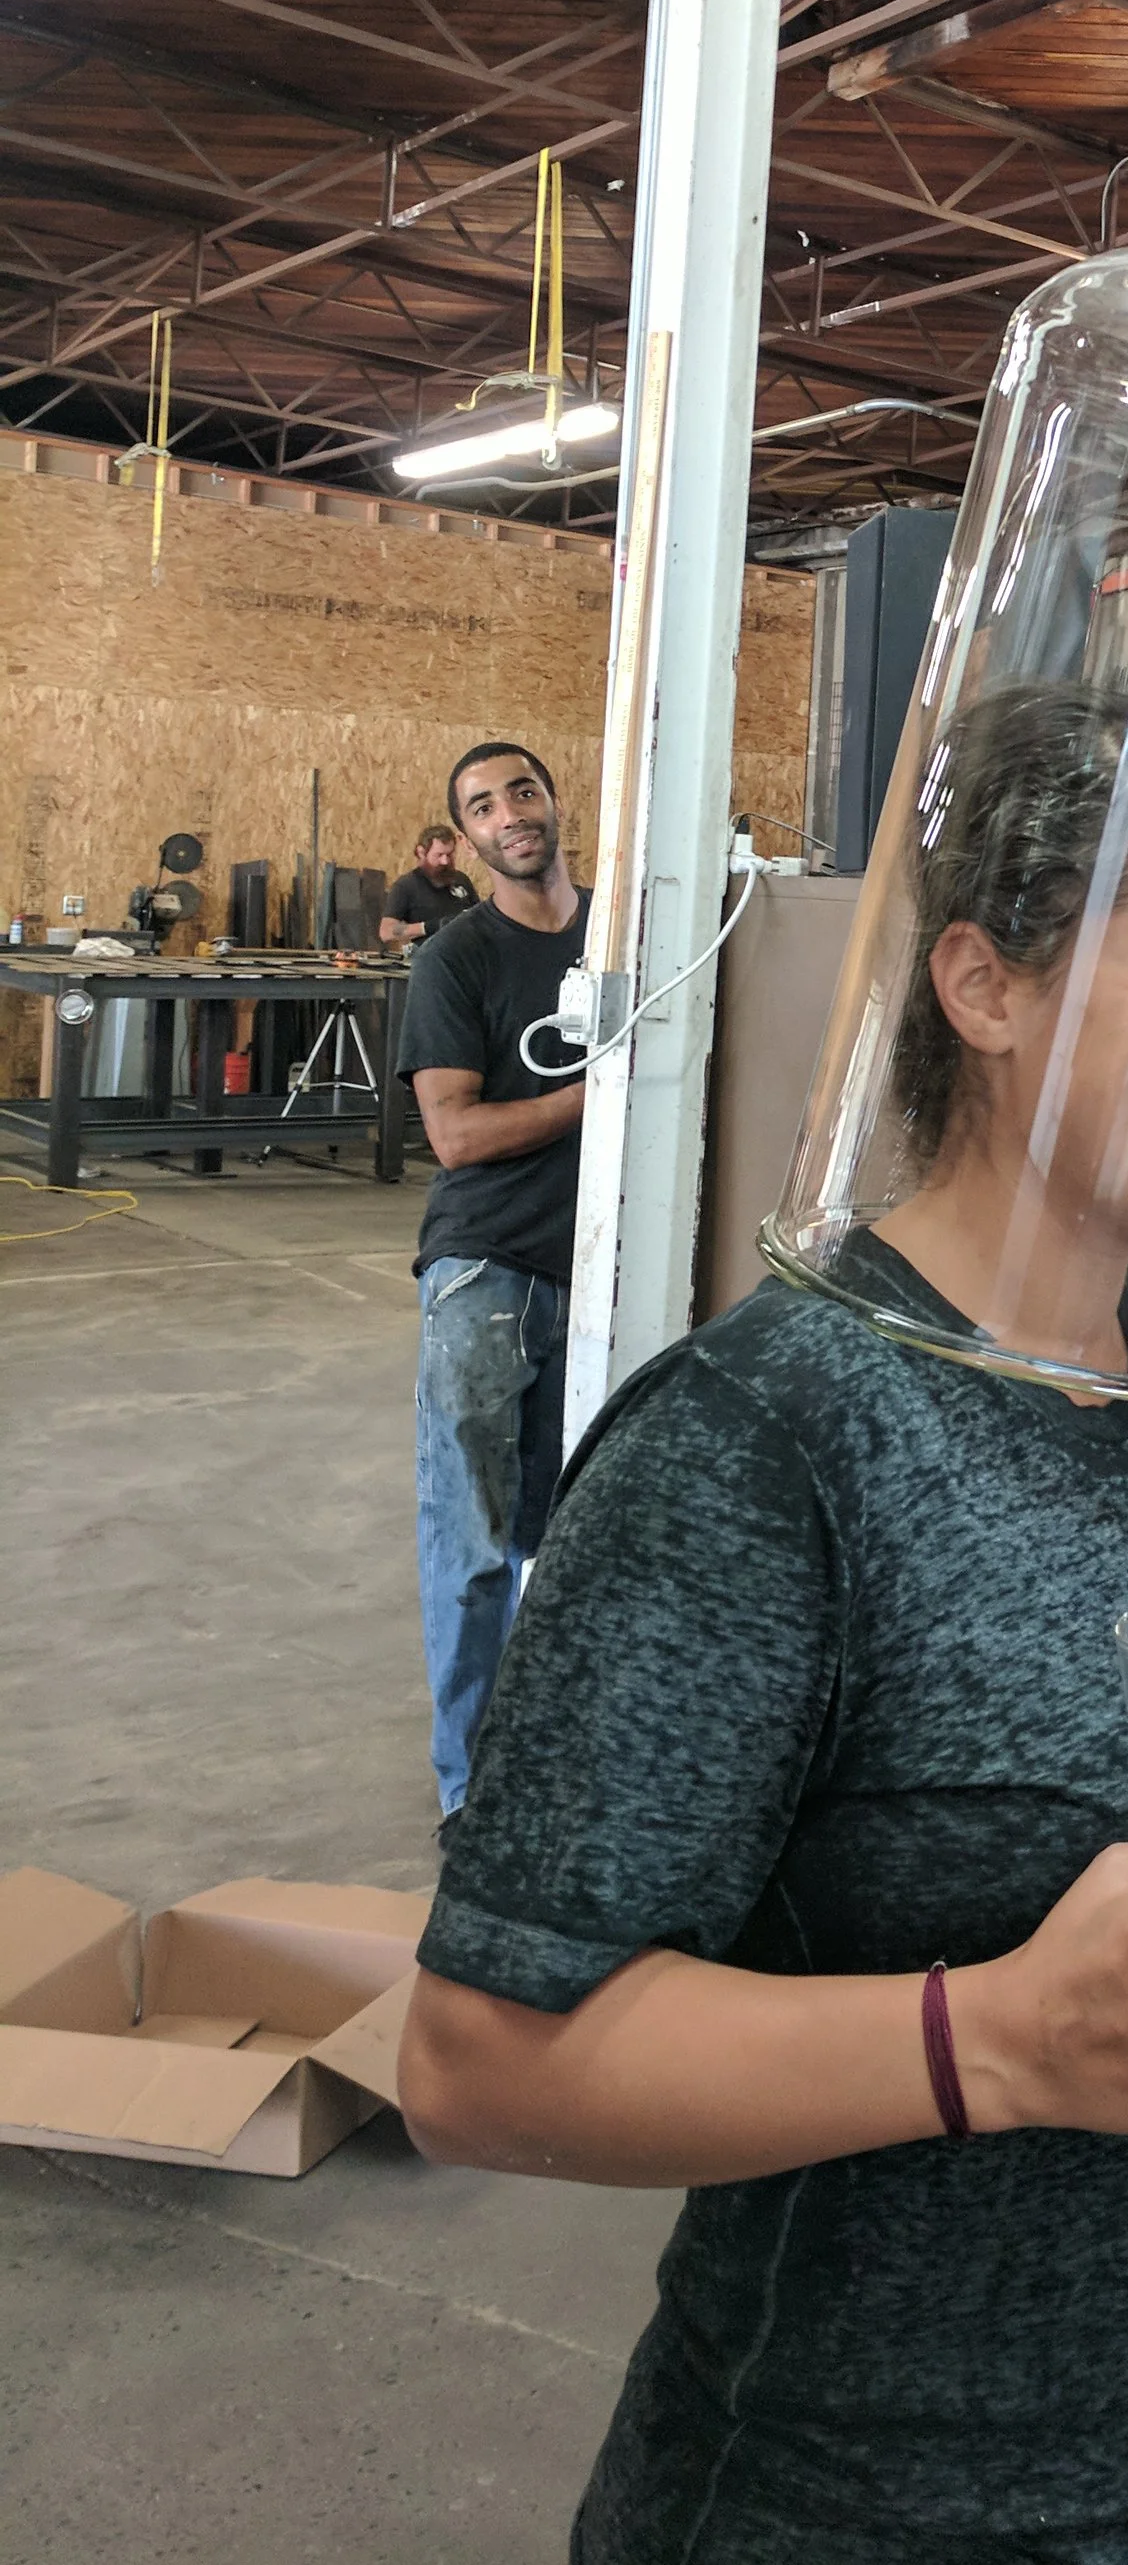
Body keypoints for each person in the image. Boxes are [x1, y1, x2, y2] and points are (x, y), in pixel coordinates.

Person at [396, 682, 1128, 2565]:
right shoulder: (766, 1440)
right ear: (985, 987)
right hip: (869, 2518)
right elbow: (482, 2062)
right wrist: (1006, 2042)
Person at [397, 740, 587, 1836]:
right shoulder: (457, 959)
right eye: (483, 805)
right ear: (464, 840)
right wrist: (598, 1093)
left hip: (611, 1272)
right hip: (489, 1269)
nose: (510, 813)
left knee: (575, 1538)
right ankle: (473, 1794)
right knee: (472, 1543)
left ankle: (565, 1763)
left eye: (522, 790)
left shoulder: (627, 931)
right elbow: (457, 1135)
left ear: (555, 802)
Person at [379, 823, 479, 947]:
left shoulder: (461, 880)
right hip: (431, 957)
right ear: (421, 852)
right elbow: (386, 932)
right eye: (439, 855)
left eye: (449, 854)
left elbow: (479, 917)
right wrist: (428, 927)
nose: (445, 861)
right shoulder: (406, 886)